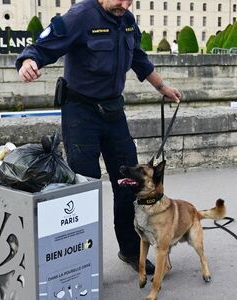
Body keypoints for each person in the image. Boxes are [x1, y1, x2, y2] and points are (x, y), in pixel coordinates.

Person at [15, 0, 182, 275]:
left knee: (129, 184)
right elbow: (43, 45)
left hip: (113, 111)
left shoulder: (127, 20)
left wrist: (162, 86)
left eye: (130, 0)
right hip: (81, 114)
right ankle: (82, 261)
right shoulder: (80, 16)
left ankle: (130, 250)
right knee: (84, 189)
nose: (124, 4)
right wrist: (28, 62)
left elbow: (139, 58)